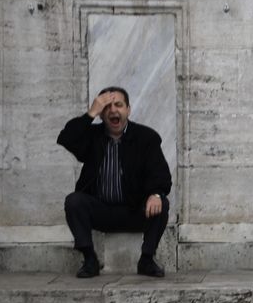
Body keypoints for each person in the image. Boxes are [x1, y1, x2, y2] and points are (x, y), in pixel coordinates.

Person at [57, 86, 171, 278]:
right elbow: (66, 138)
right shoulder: (92, 136)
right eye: (107, 107)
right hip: (101, 210)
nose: (113, 110)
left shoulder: (146, 138)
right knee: (74, 201)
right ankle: (90, 260)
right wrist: (91, 112)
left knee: (162, 202)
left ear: (128, 109)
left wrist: (156, 194)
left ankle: (147, 259)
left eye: (118, 105)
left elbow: (160, 175)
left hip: (135, 210)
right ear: (101, 114)